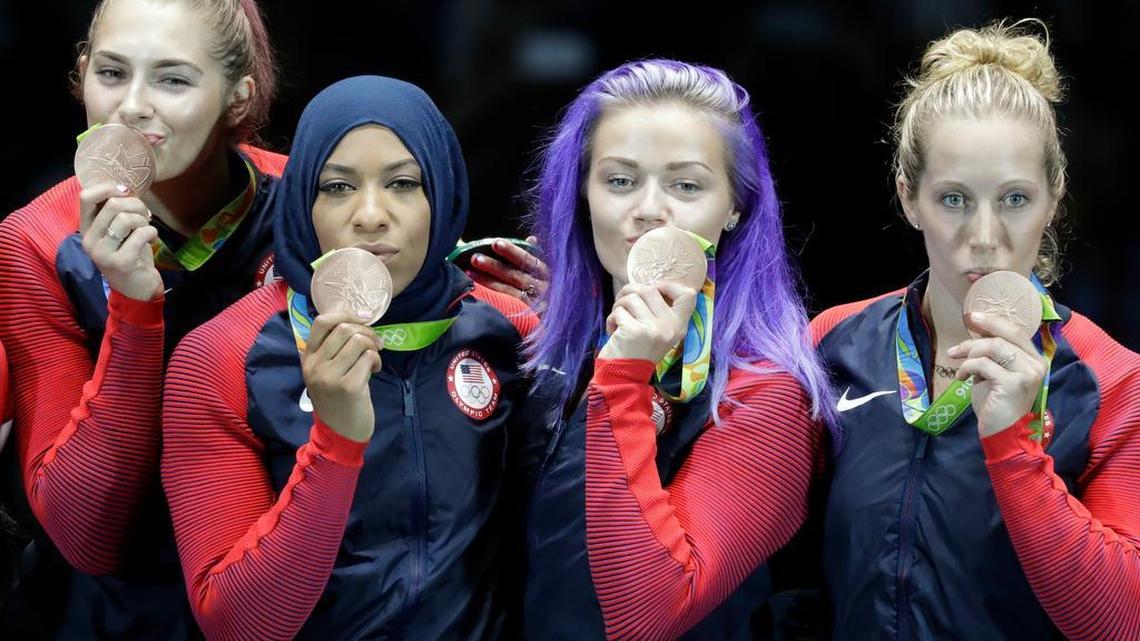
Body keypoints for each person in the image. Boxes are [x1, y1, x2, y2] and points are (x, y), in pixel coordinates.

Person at [161, 75, 537, 640]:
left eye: (404, 183)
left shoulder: (510, 331)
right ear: (300, 201)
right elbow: (236, 623)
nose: (370, 215)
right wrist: (335, 443)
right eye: (337, 187)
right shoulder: (219, 356)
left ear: (445, 193)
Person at [810, 20, 1140, 640]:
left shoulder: (1116, 382)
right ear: (909, 198)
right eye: (954, 199)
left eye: (1014, 199)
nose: (984, 237)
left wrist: (1014, 446)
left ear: (1055, 199)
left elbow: (1123, 621)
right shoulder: (832, 341)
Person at [521, 59, 834, 640]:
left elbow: (649, 614)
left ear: (737, 205)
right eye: (619, 180)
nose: (648, 208)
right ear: (581, 195)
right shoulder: (542, 352)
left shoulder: (766, 395)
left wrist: (624, 377)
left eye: (686, 185)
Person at [0, 0, 283, 637]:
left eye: (173, 79)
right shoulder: (35, 240)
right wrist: (132, 308)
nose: (131, 105)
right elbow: (87, 535)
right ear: (82, 74)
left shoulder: (312, 203)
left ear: (237, 98)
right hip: (96, 614)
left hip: (279, 601)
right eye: (111, 73)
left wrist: (533, 293)